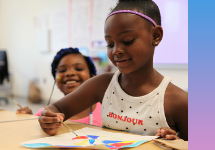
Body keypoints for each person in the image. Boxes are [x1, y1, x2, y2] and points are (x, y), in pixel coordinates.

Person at [38, 0, 188, 141]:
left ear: (156, 36)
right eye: (110, 44)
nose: (116, 51)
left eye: (127, 41)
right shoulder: (102, 85)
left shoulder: (178, 101)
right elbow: (57, 108)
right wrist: (49, 119)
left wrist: (177, 142)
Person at [17, 48, 102, 126]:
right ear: (55, 79)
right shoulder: (46, 114)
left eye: (79, 68)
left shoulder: (107, 110)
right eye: (62, 70)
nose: (69, 73)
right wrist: (28, 119)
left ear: (92, 76)